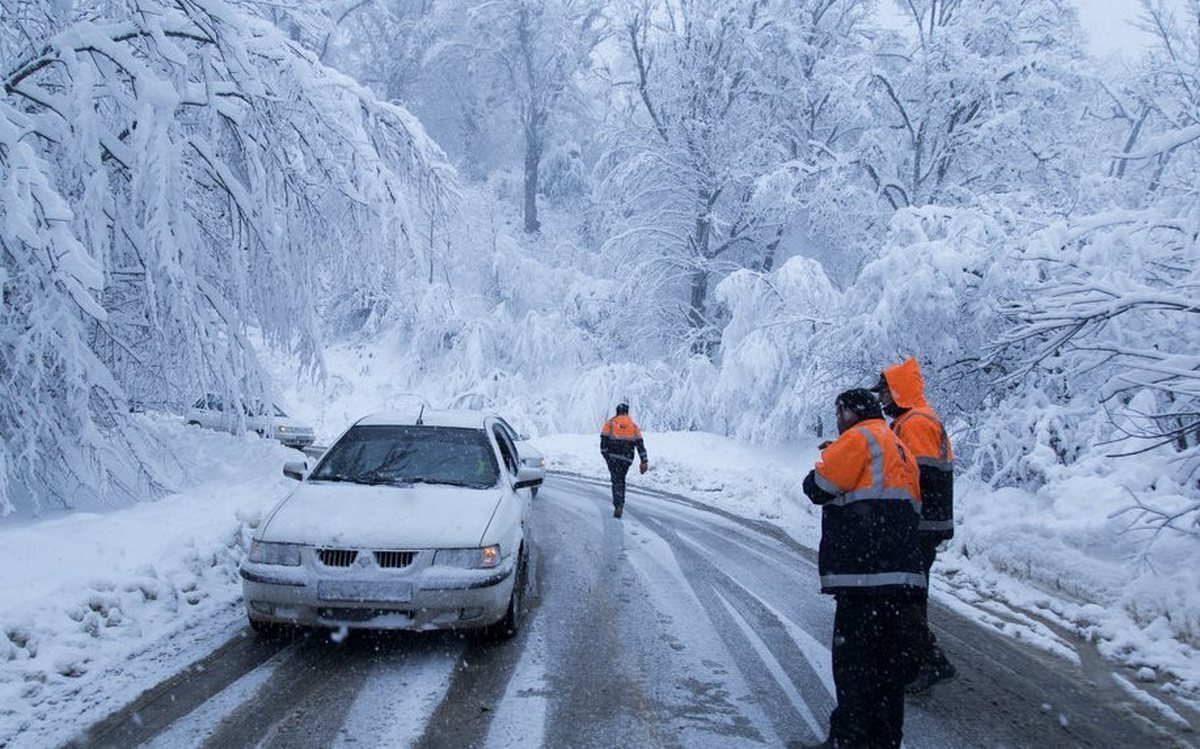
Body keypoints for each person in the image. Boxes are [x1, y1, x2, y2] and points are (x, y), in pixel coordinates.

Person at [800, 389, 925, 749]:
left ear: (851, 413)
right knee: (888, 667)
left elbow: (818, 487)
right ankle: (884, 740)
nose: (837, 421)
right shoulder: (899, 447)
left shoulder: (859, 439)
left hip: (864, 574)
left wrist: (830, 456)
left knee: (854, 663)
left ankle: (849, 739)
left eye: (839, 414)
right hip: (901, 576)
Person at [873, 357, 957, 694]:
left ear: (898, 391)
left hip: (920, 525)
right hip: (922, 524)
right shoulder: (910, 421)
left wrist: (899, 520)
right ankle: (911, 662)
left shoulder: (917, 423)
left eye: (884, 392)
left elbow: (916, 478)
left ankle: (929, 661)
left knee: (905, 596)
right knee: (906, 594)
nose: (881, 399)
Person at [599, 402, 648, 518]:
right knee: (621, 480)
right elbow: (640, 445)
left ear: (617, 412)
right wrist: (644, 460)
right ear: (627, 412)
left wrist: (607, 456)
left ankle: (618, 504)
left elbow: (603, 442)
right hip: (626, 459)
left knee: (616, 481)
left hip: (613, 458)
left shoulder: (610, 424)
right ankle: (620, 502)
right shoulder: (634, 426)